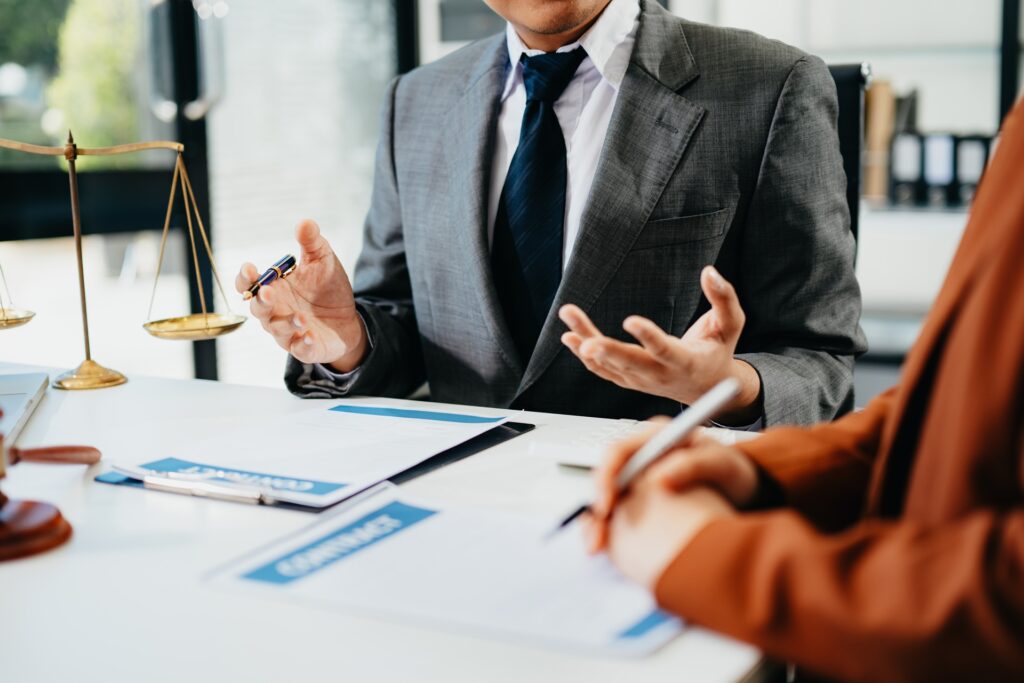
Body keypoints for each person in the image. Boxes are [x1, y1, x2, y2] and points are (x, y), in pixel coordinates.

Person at [237, 0, 865, 425]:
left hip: (667, 510)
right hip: (458, 513)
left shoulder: (770, 87)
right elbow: (407, 328)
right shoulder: (417, 101)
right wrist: (347, 340)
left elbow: (821, 363)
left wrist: (725, 386)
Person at [586, 98, 1024, 683]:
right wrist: (768, 472)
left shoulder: (773, 86)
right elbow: (957, 400)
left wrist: (710, 556)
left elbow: (820, 350)